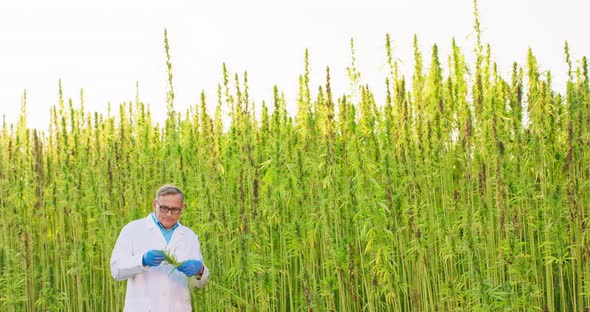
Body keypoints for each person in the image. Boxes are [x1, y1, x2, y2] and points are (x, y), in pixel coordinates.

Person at [110, 184, 210, 311]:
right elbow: (116, 270)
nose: (169, 214)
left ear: (182, 208)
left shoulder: (189, 236)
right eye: (164, 208)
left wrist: (200, 271)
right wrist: (142, 260)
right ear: (154, 205)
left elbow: (200, 284)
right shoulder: (132, 230)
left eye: (175, 209)